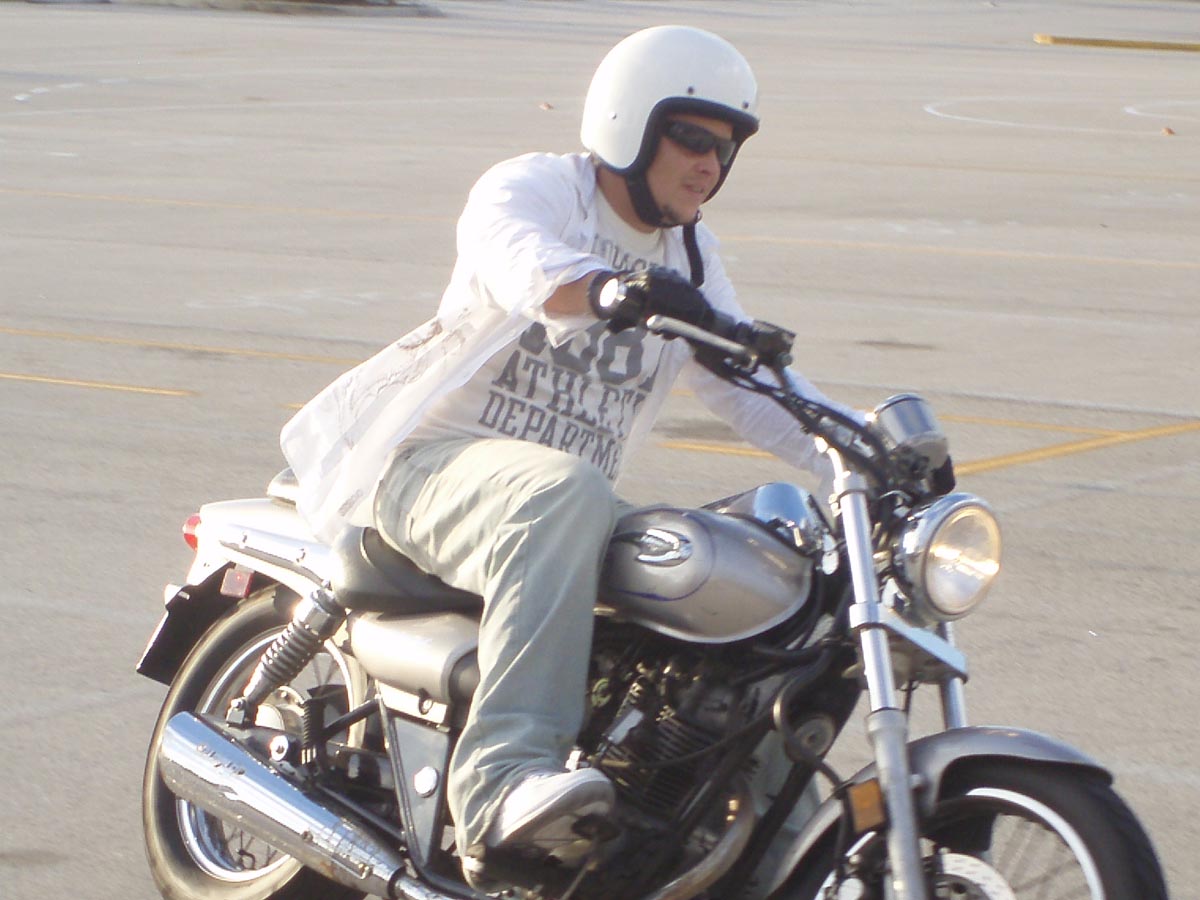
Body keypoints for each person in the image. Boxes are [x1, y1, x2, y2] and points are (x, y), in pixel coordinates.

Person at [280, 24, 861, 882]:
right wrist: (608, 288)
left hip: (557, 504)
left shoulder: (690, 254)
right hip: (432, 466)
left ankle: (739, 836)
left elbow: (745, 381)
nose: (710, 164)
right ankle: (500, 781)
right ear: (631, 123)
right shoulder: (539, 189)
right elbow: (523, 266)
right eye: (691, 138)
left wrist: (861, 446)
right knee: (565, 490)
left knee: (754, 570)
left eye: (726, 148)